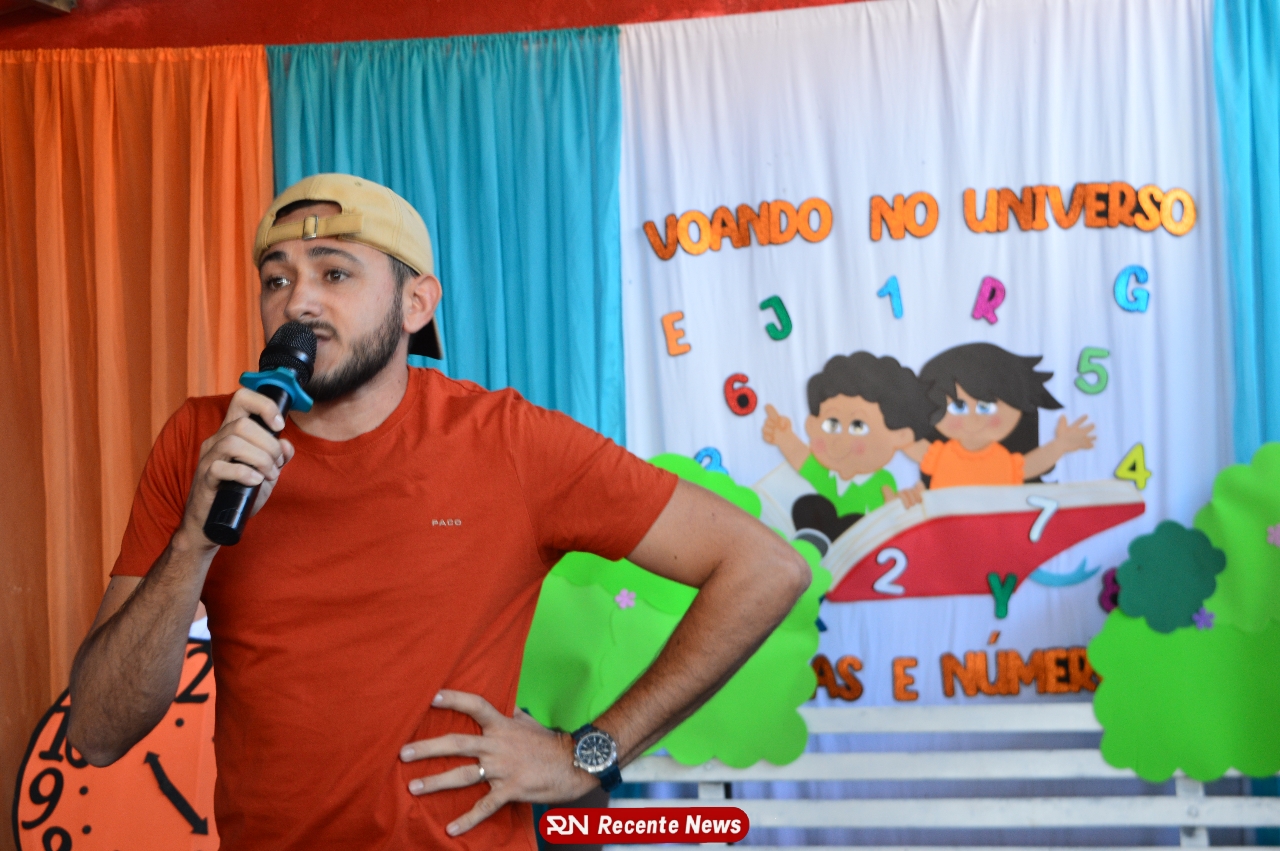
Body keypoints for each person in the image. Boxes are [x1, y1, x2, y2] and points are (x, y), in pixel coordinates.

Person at [66, 173, 810, 850]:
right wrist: (194, 541)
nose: (298, 303)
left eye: (334, 273)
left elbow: (765, 567)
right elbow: (97, 732)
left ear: (416, 303)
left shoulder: (510, 443)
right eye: (277, 279)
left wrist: (589, 755)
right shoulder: (203, 442)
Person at [761, 352, 933, 554]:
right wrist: (783, 436)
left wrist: (900, 507)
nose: (840, 439)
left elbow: (888, 517)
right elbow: (801, 457)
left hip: (859, 556)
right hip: (821, 559)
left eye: (858, 426)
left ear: (900, 435)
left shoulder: (882, 482)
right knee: (809, 506)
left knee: (855, 522)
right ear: (812, 425)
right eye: (831, 424)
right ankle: (810, 548)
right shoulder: (825, 475)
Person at [904, 342, 1096, 488]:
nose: (973, 419)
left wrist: (1061, 445)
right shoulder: (941, 456)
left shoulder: (1003, 462)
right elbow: (905, 440)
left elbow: (1031, 465)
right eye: (959, 407)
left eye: (986, 407)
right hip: (947, 527)